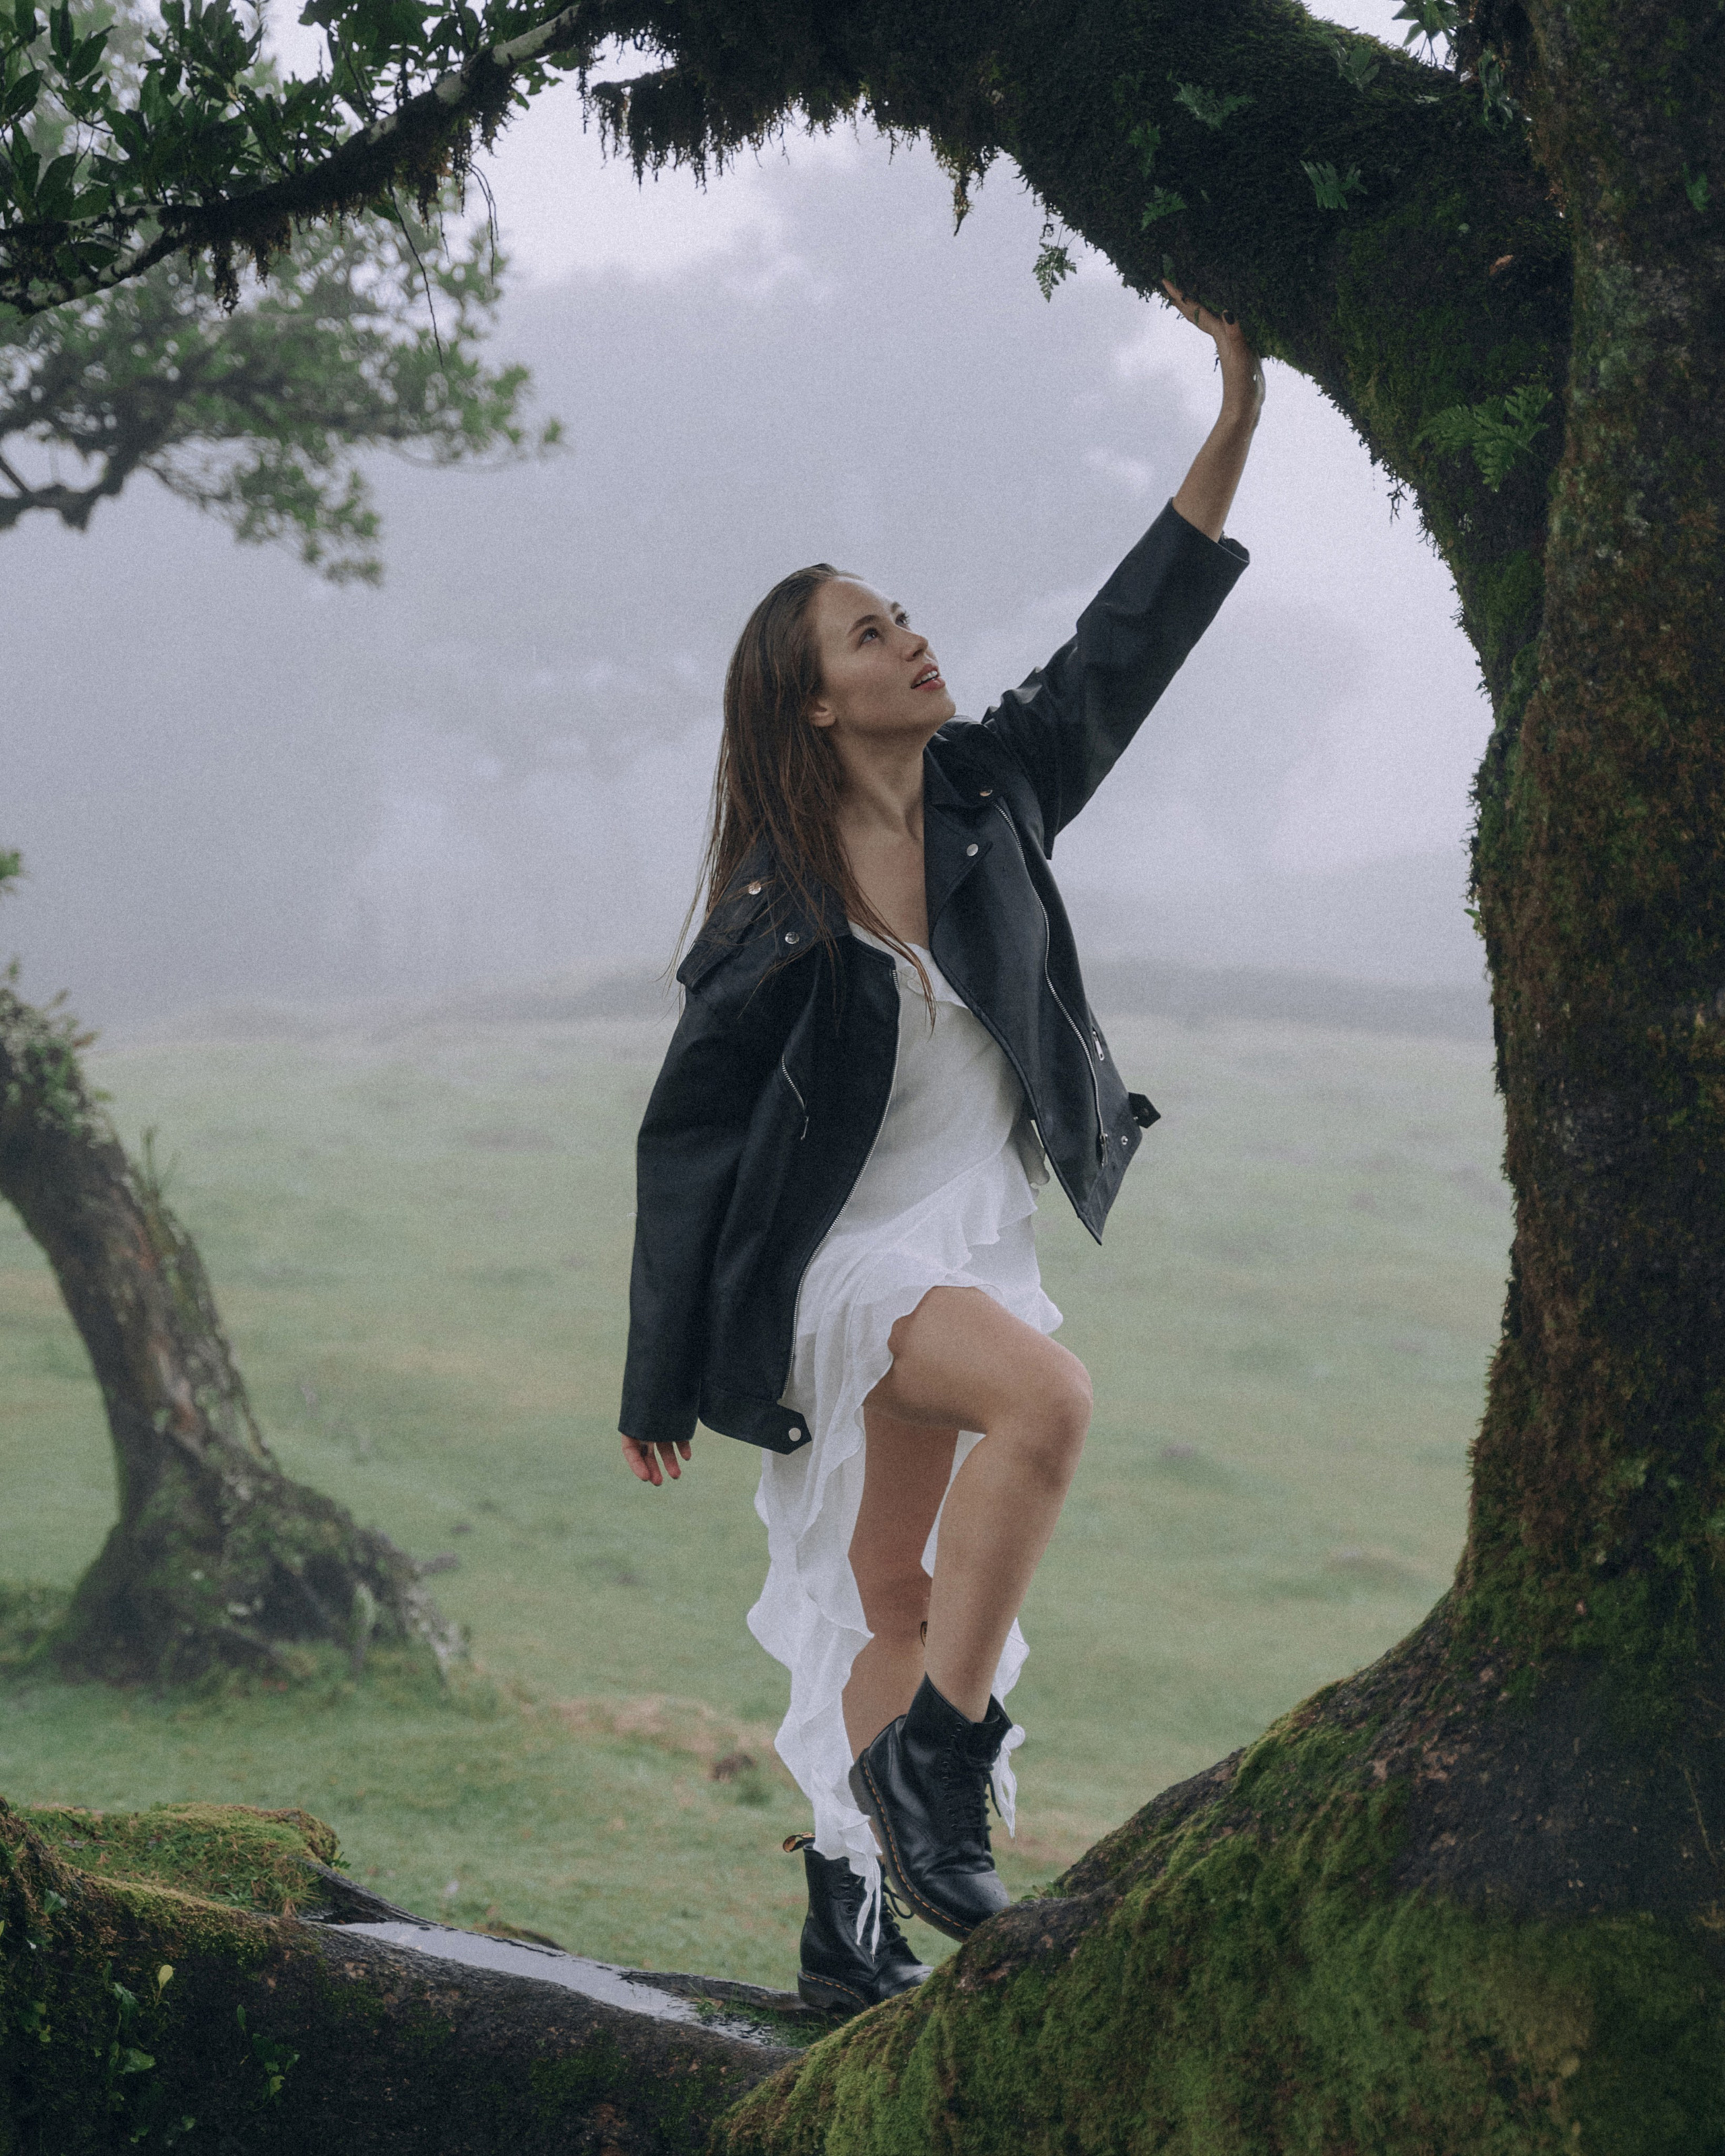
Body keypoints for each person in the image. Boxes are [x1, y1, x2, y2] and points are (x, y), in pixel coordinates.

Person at [619, 285, 1263, 2015]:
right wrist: (656, 1374)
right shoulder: (772, 916)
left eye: (901, 617)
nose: (907, 640)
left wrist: (1228, 427)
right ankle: (937, 1767)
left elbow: (1121, 650)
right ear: (811, 707)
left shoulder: (994, 793)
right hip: (845, 1268)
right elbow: (683, 1142)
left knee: (889, 1588)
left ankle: (845, 1921)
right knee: (1045, 1404)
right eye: (864, 636)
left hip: (966, 1241)